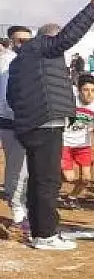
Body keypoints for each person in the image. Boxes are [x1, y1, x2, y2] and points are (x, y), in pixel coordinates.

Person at [5, 0, 94, 250]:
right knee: (48, 181)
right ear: (51, 39)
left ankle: (41, 232)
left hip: (30, 125)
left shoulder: (19, 62)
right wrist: (93, 7)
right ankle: (46, 234)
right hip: (46, 124)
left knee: (39, 180)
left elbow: (12, 98)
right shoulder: (43, 48)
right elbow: (70, 35)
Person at [1, 25, 32, 235]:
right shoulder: (5, 62)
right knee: (18, 168)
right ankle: (18, 211)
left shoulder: (34, 60)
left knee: (25, 169)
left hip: (29, 122)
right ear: (11, 41)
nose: (23, 44)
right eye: (19, 40)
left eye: (27, 40)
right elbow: (6, 96)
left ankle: (20, 207)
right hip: (10, 122)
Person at [60, 74, 94, 209]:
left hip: (83, 145)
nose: (89, 94)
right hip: (65, 143)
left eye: (93, 90)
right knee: (69, 178)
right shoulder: (69, 103)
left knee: (86, 178)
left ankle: (71, 197)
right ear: (79, 90)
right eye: (86, 90)